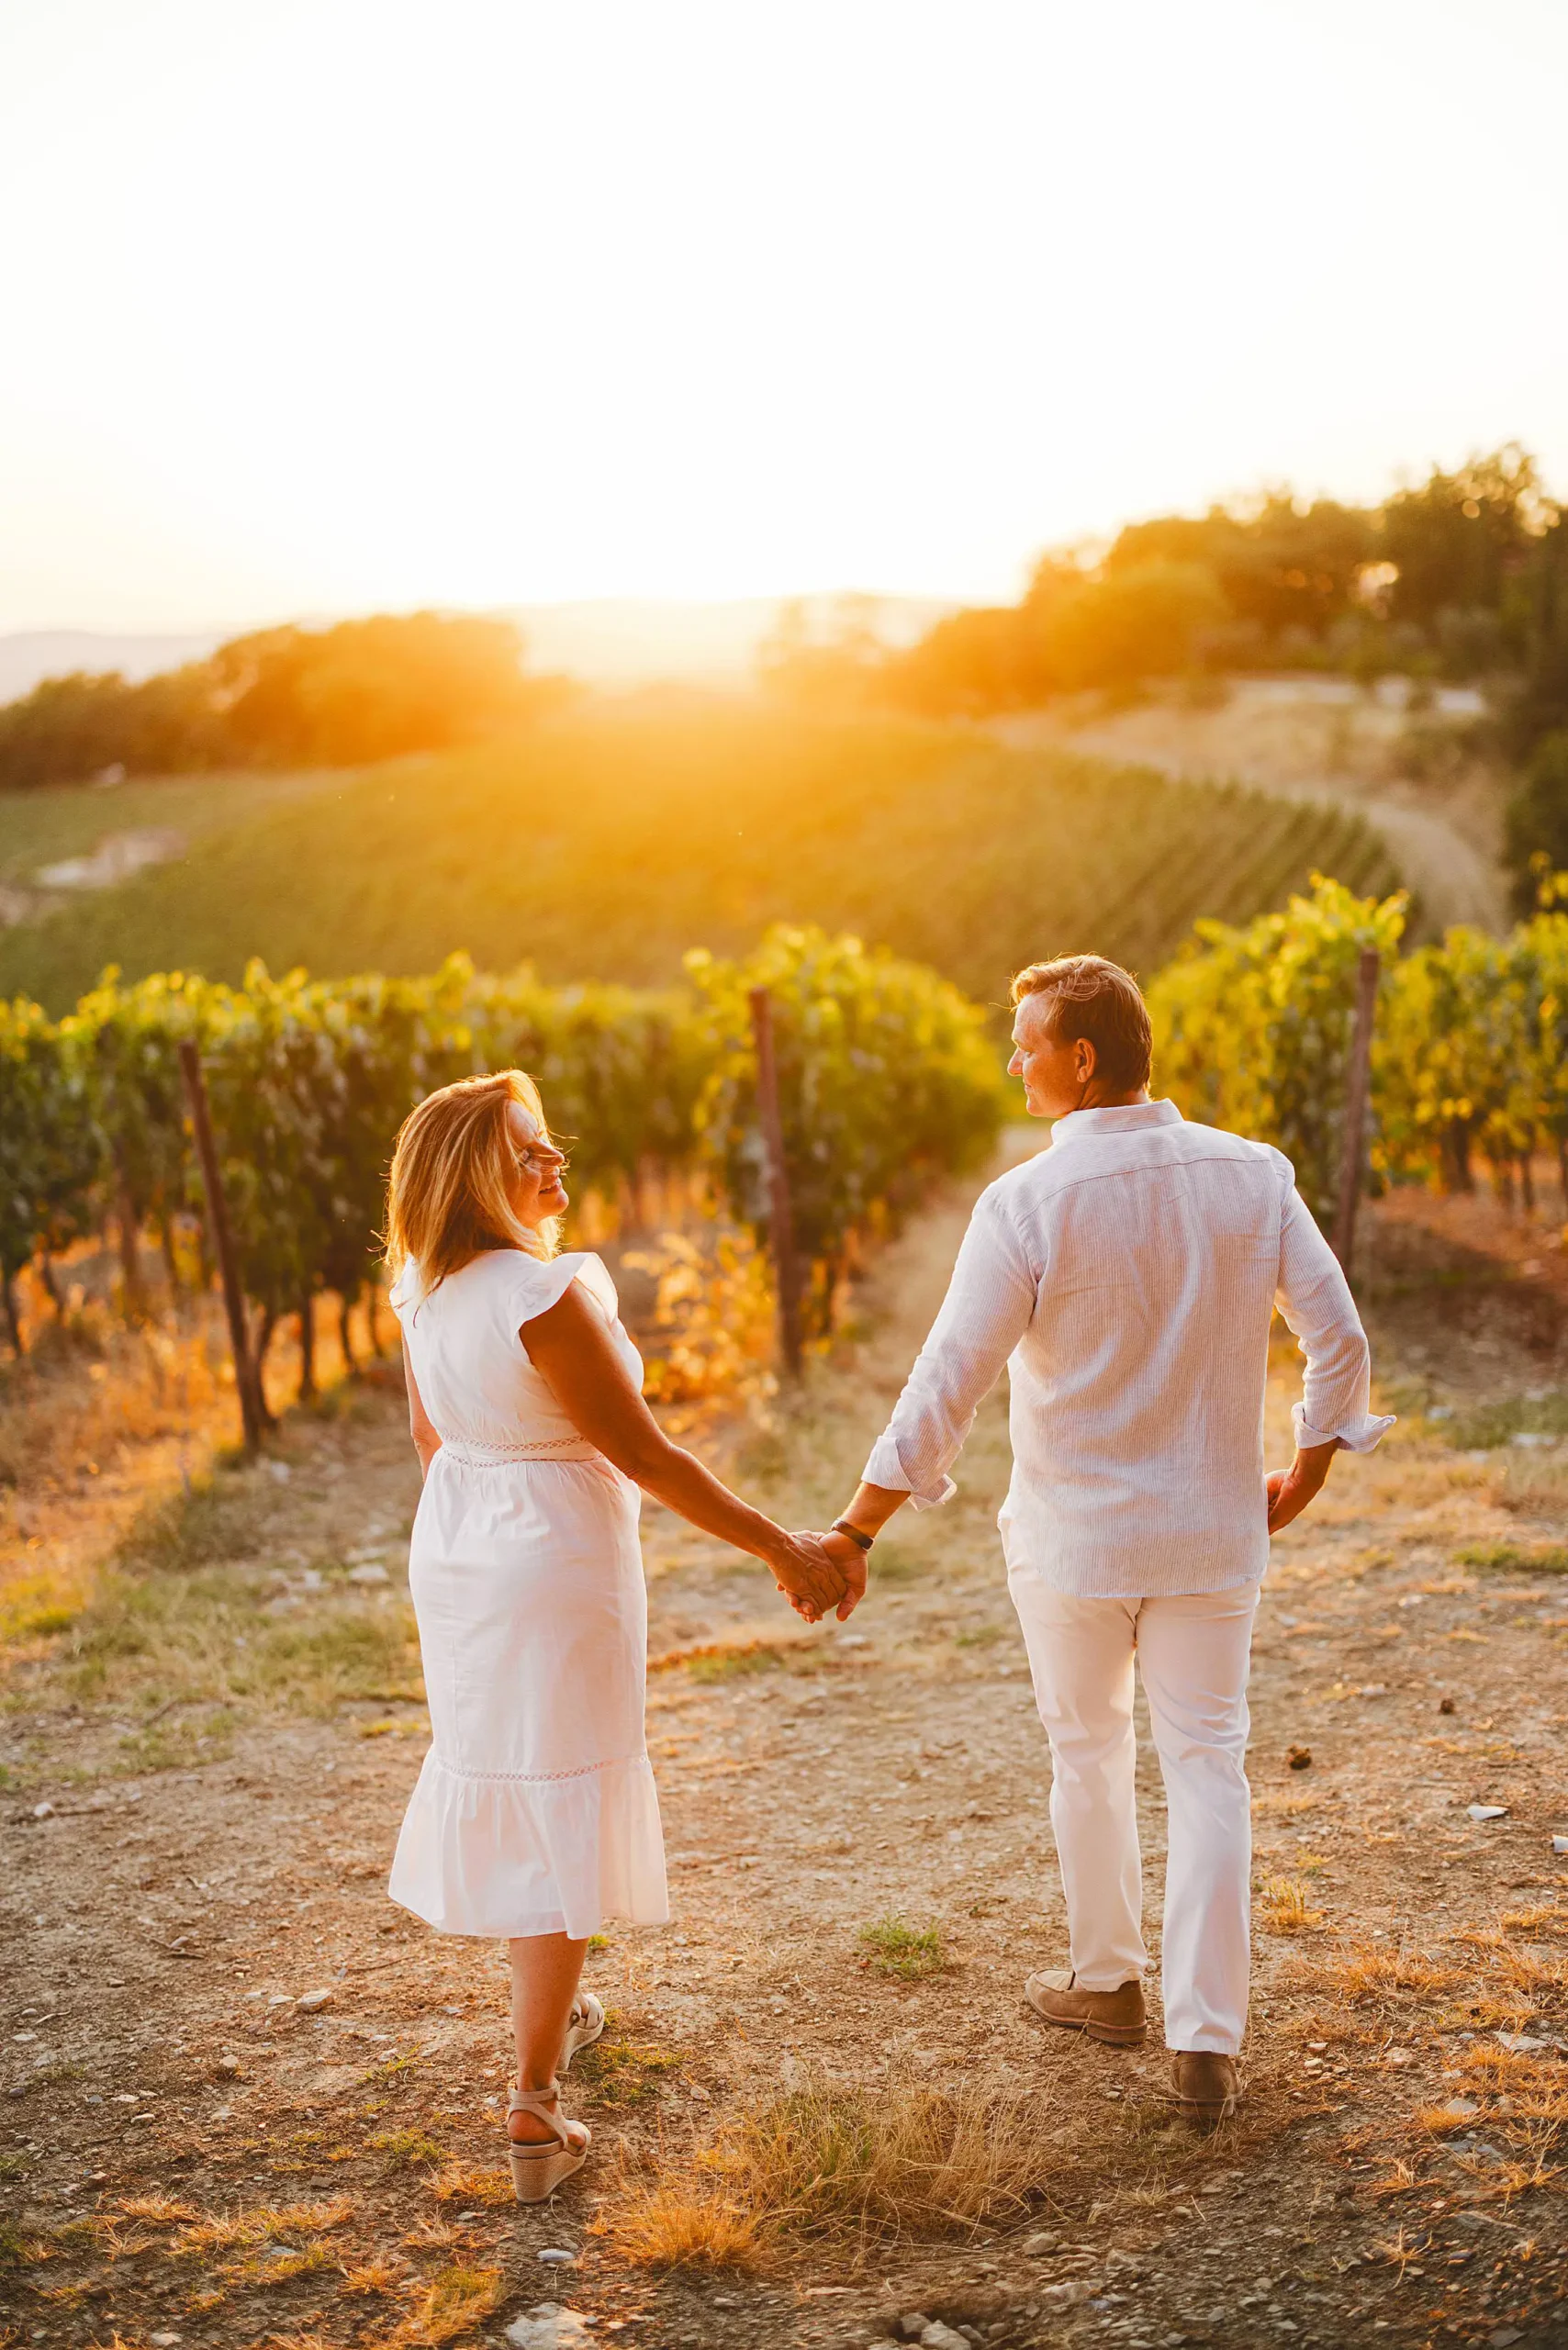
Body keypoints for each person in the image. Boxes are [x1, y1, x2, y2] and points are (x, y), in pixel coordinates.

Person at [813, 955, 1391, 2125]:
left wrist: (856, 1526)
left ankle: (1104, 1982)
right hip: (1211, 1534)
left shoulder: (1024, 1204)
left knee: (1086, 1751)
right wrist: (1310, 1465)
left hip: (1074, 1543)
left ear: (1081, 1057)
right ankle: (1206, 2043)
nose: (1011, 1060)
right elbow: (1339, 1339)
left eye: (1025, 1040)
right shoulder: (1252, 1173)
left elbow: (947, 1384)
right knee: (1207, 1764)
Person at [382, 1069, 848, 2200]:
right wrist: (783, 1546)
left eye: (553, 1144)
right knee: (563, 1793)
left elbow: (428, 1438)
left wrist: (487, 1524)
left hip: (464, 1553)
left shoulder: (422, 1287)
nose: (556, 1164)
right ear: (473, 1177)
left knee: (522, 1776)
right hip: (553, 1560)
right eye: (528, 1151)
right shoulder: (542, 1295)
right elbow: (645, 1454)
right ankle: (532, 2107)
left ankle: (560, 2005)